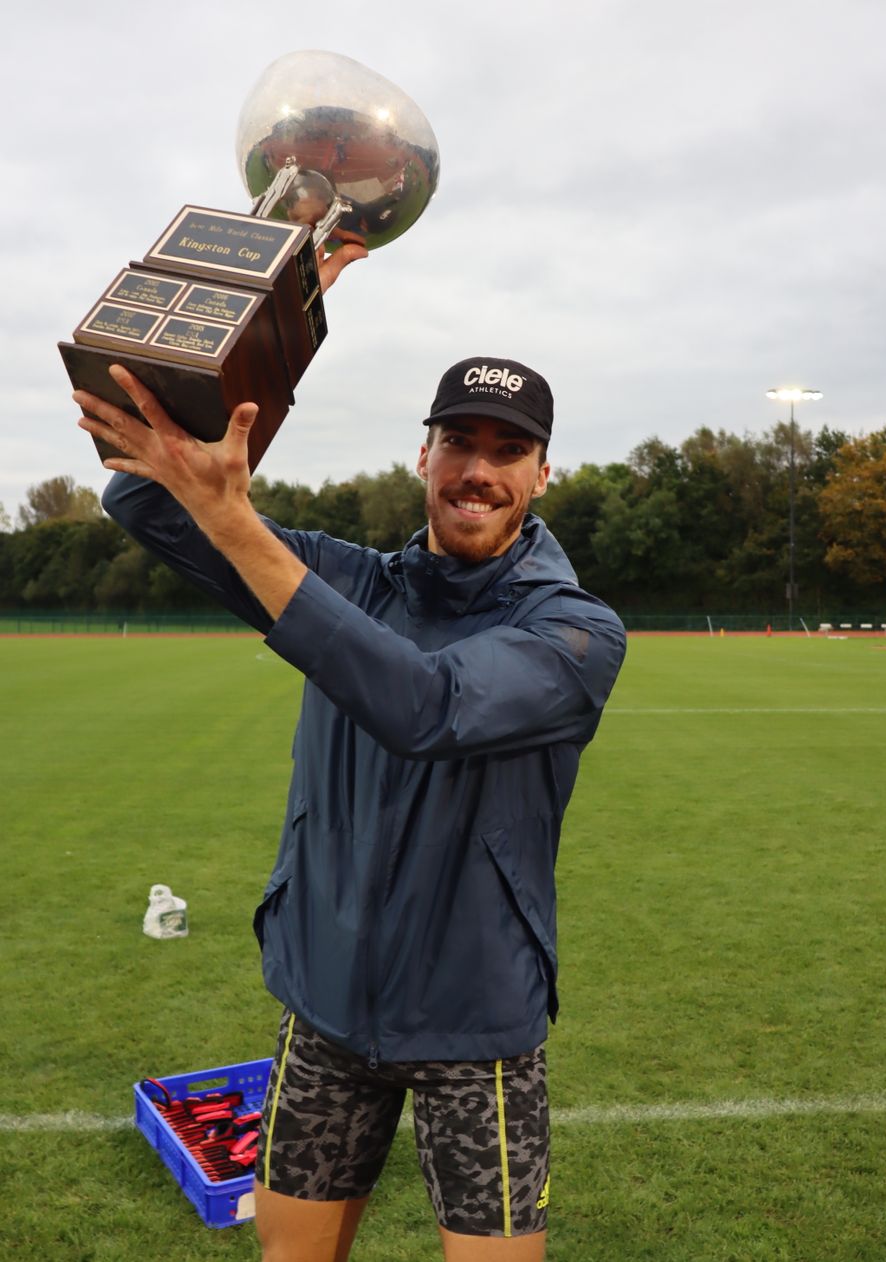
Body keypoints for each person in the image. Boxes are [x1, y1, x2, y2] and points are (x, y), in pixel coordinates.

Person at [73, 245, 626, 1262]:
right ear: (423, 455)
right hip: (325, 1001)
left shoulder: (576, 632)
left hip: (475, 1022)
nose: (478, 469)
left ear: (541, 474)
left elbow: (423, 706)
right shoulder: (354, 581)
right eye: (459, 440)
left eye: (509, 449)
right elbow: (146, 500)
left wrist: (236, 519)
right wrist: (274, 305)